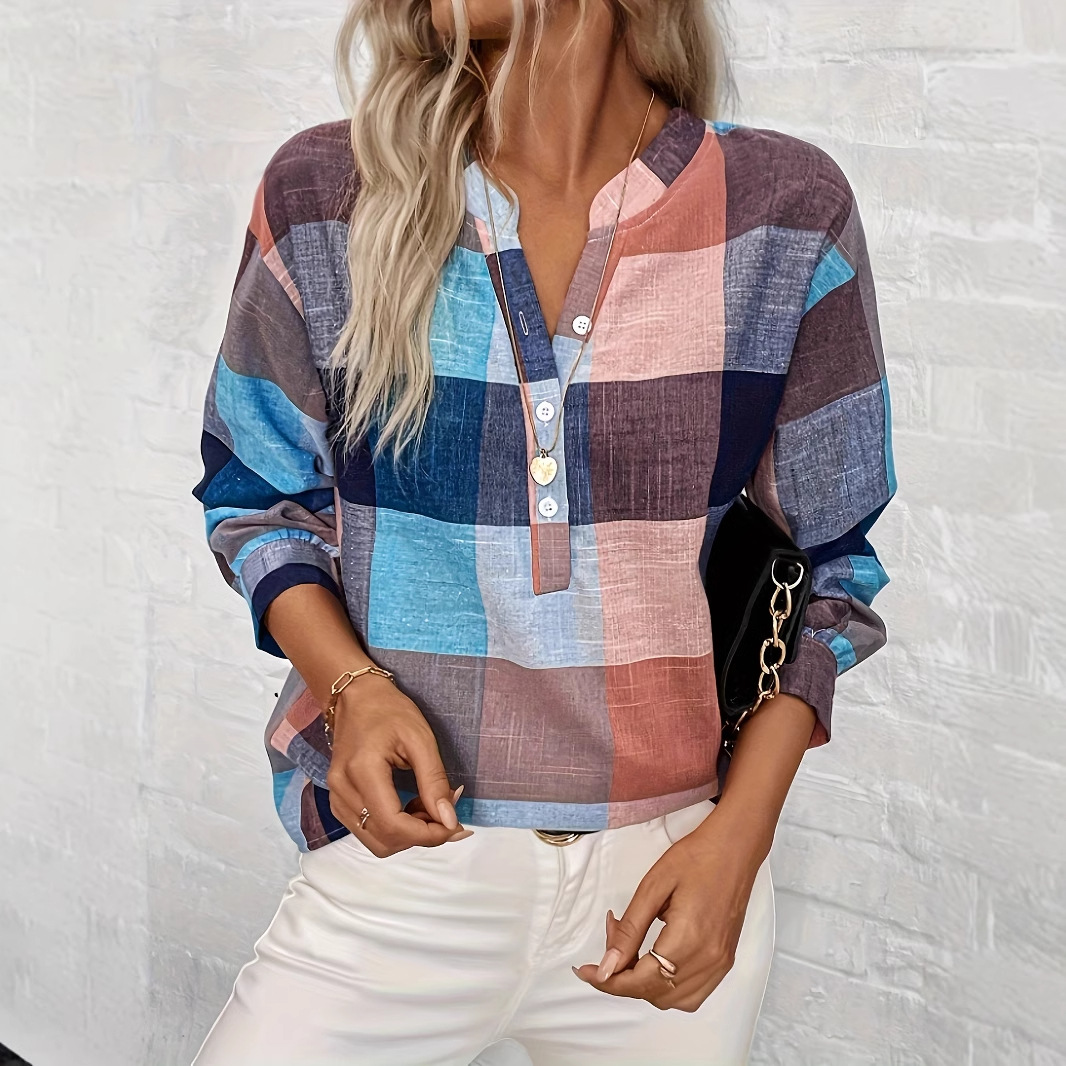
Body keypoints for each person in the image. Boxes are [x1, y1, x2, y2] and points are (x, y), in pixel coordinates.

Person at [188, 1, 897, 1063]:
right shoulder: (326, 194)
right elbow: (255, 496)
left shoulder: (785, 212)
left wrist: (736, 842)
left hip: (666, 878)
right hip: (406, 864)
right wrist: (352, 687)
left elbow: (833, 570)